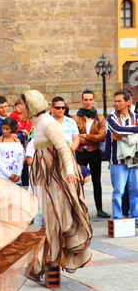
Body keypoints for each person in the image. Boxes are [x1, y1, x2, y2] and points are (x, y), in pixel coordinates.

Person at [21, 89, 92, 276]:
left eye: (22, 105)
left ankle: (50, 260)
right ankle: (41, 261)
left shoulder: (48, 123)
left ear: (31, 106)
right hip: (41, 178)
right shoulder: (37, 122)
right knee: (39, 218)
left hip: (54, 179)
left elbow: (64, 149)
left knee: (51, 219)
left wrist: (70, 173)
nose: (20, 109)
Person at [73, 90, 109, 218]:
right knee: (79, 181)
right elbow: (76, 137)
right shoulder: (76, 118)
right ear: (82, 101)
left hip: (94, 152)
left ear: (94, 101)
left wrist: (86, 136)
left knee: (96, 181)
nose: (88, 102)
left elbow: (102, 137)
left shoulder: (99, 117)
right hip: (81, 152)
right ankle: (79, 209)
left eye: (90, 99)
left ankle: (99, 209)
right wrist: (90, 137)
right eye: (86, 99)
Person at [106, 89, 138, 224]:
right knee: (118, 191)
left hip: (135, 160)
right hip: (118, 161)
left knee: (135, 190)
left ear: (128, 102)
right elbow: (116, 130)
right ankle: (117, 217)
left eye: (120, 101)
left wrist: (121, 134)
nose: (116, 104)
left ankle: (135, 217)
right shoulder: (111, 117)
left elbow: (119, 133)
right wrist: (135, 130)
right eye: (115, 101)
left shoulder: (136, 117)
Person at [0, 117, 24, 185]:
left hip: (16, 177)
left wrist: (19, 174)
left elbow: (20, 159)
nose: (4, 131)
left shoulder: (17, 141)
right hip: (3, 177)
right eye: (3, 128)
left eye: (7, 129)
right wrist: (9, 175)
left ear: (12, 129)